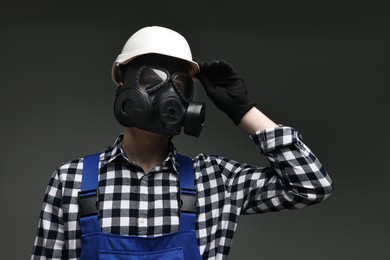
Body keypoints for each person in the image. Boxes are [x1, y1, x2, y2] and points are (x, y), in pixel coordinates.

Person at [31, 26, 333, 260]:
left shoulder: (215, 180)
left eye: (179, 84)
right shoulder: (71, 180)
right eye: (151, 80)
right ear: (123, 85)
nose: (167, 94)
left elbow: (311, 185)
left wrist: (243, 111)